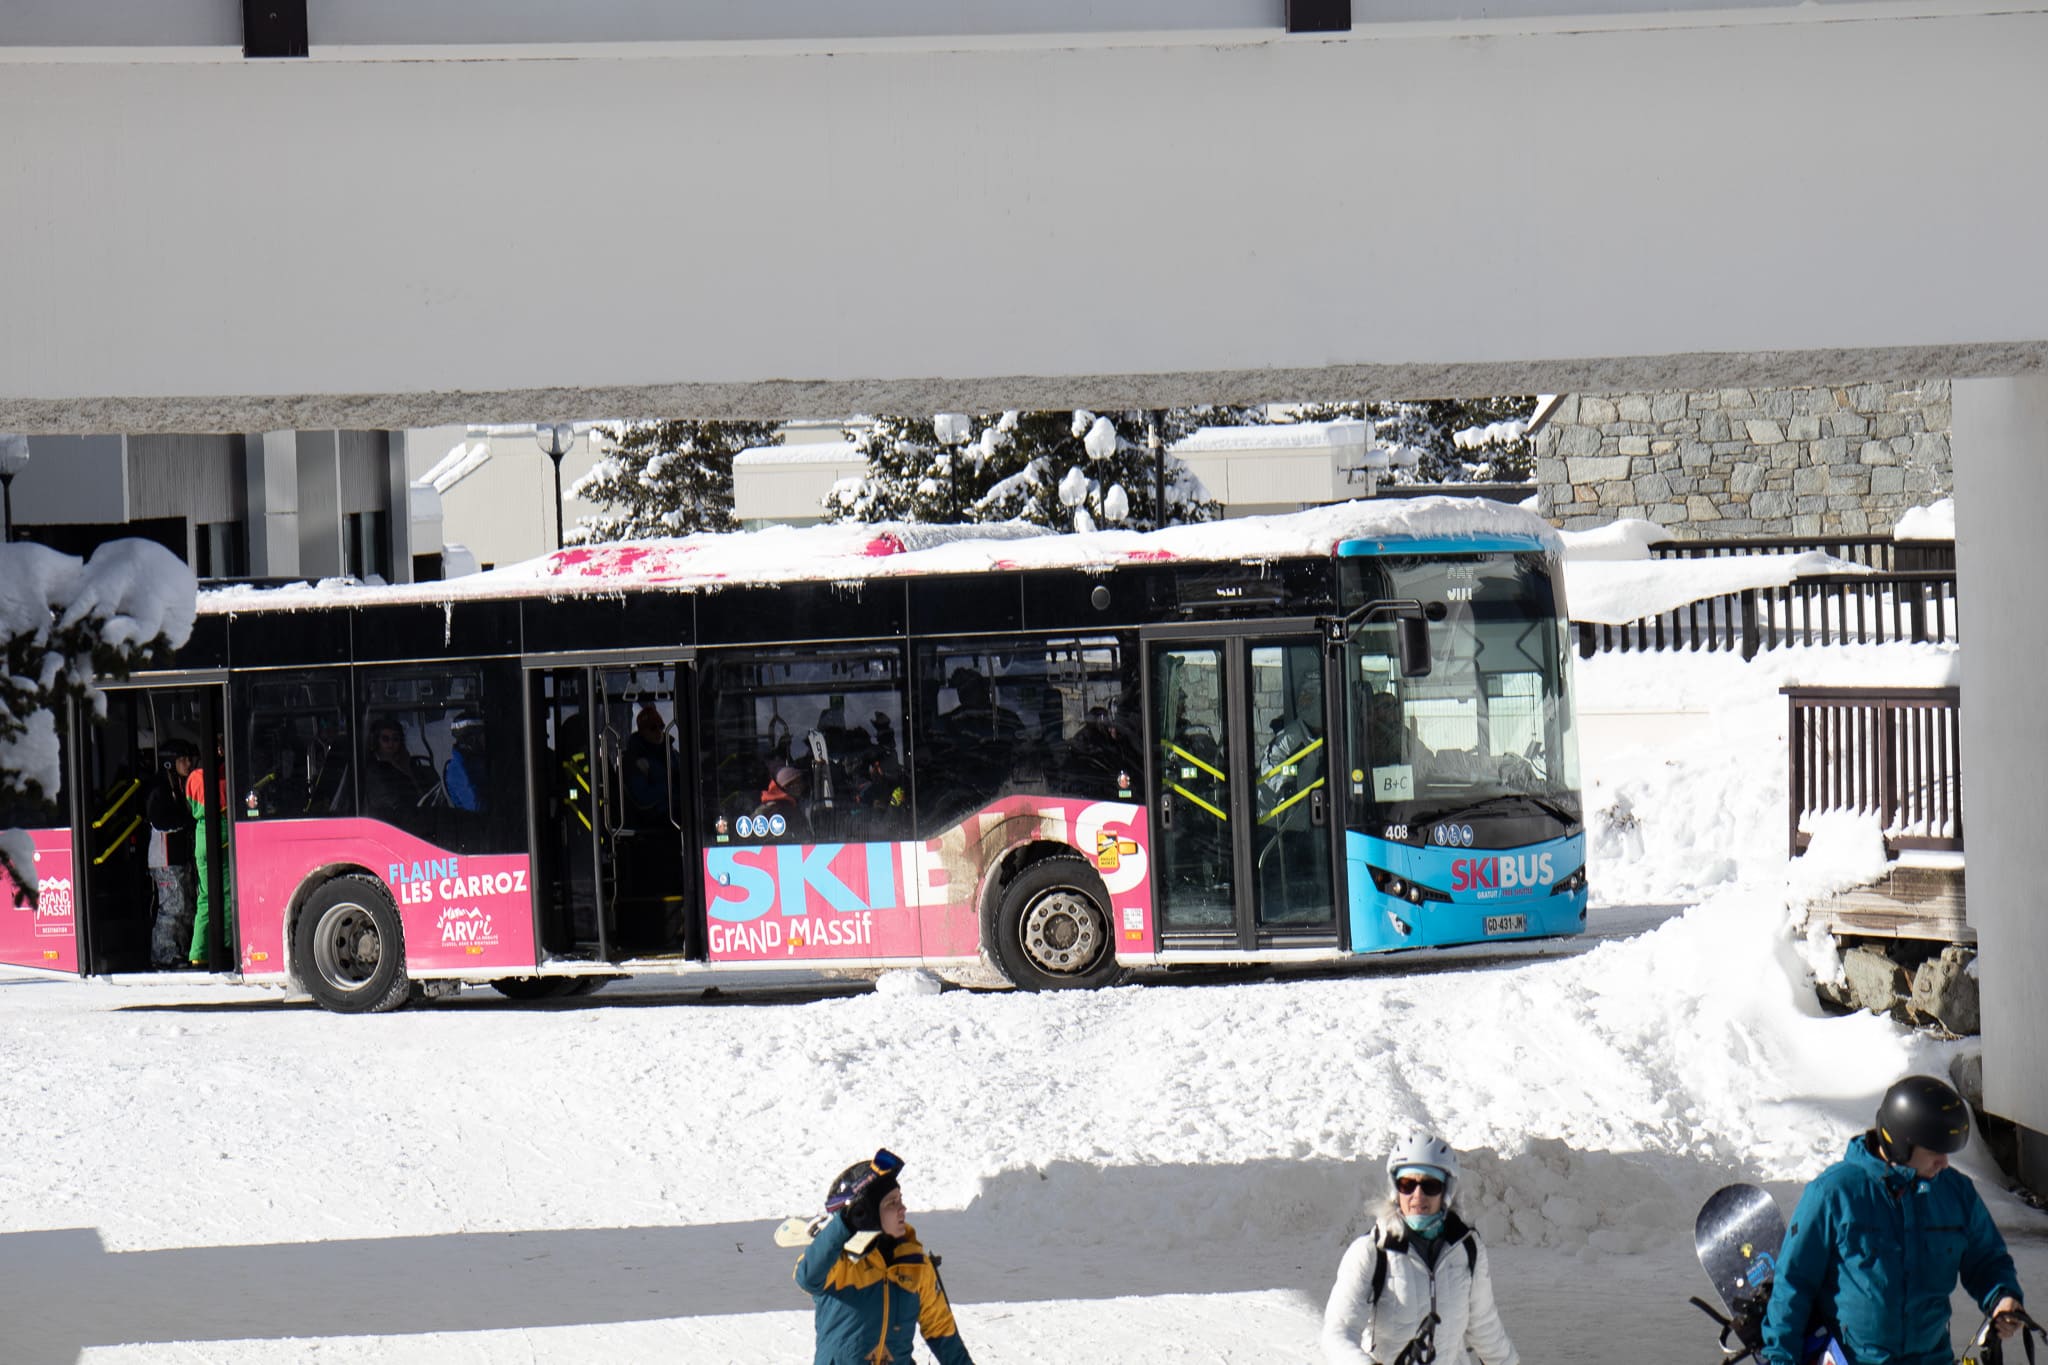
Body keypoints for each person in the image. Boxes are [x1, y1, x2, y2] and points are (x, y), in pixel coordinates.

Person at [1762, 1074, 2026, 1365]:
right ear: (1900, 1142)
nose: (1945, 1163)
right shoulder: (1834, 1194)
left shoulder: (1954, 1192)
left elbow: (1986, 1259)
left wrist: (2002, 1297)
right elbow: (1794, 1284)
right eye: (1935, 1152)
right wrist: (1780, 1359)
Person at [1321, 1132, 1518, 1364]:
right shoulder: (1372, 1251)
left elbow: (1484, 1326)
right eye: (1407, 1184)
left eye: (1430, 1185)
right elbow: (1338, 1334)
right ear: (1396, 1190)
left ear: (1446, 1191)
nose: (1417, 1195)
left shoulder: (1467, 1249)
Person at [795, 1150, 973, 1365]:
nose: (902, 1209)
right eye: (891, 1203)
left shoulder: (916, 1264)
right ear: (867, 1213)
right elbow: (807, 1278)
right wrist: (843, 1225)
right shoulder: (839, 1260)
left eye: (900, 1200)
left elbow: (941, 1330)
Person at [144, 739, 197, 968]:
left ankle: (179, 950)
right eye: (182, 759)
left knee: (185, 905)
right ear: (168, 763)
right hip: (164, 857)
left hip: (180, 855)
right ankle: (163, 953)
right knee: (172, 906)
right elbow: (159, 820)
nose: (188, 764)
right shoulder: (159, 787)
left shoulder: (177, 784)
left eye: (188, 759)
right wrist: (187, 821)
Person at [186, 734, 234, 969]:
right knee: (224, 894)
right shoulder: (222, 779)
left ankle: (199, 951)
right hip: (220, 837)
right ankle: (225, 946)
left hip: (201, 838)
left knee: (205, 896)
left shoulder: (193, 777)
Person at [362, 717, 430, 826]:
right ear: (376, 741)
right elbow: (391, 803)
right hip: (392, 825)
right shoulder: (374, 771)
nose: (391, 743)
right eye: (385, 739)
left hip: (418, 818)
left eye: (395, 739)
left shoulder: (410, 764)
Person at [443, 713, 488, 813]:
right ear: (471, 740)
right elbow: (476, 807)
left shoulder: (476, 760)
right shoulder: (458, 769)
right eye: (482, 735)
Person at [756, 765, 809, 837]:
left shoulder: (791, 804)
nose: (801, 786)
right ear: (786, 787)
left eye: (801, 781)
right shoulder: (782, 809)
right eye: (797, 783)